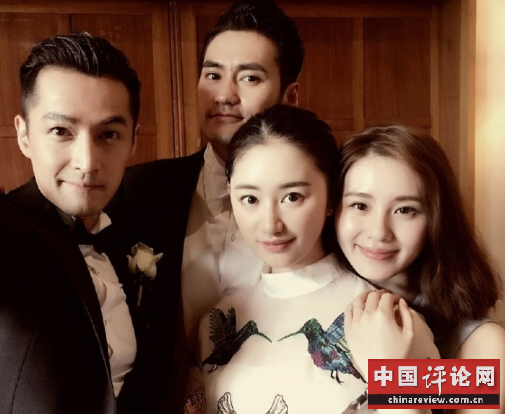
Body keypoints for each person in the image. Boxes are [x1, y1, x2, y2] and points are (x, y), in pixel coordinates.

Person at [0, 32, 141, 413]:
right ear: (24, 135)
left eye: (108, 134)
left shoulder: (122, 237)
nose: (87, 161)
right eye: (61, 131)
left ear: (132, 141)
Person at [105, 1, 304, 411]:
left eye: (249, 77)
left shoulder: (333, 204)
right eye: (212, 75)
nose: (224, 95)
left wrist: (410, 396)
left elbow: (421, 374)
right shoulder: (136, 191)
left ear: (290, 97)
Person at [188, 104, 375, 414]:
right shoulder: (217, 320)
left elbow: (456, 396)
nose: (270, 225)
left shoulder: (381, 313)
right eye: (250, 199)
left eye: (292, 197)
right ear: (231, 193)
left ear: (331, 195)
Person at [336, 125, 505, 413]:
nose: (379, 232)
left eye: (405, 210)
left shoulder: (478, 347)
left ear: (436, 219)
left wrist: (393, 373)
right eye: (360, 205)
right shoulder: (310, 295)